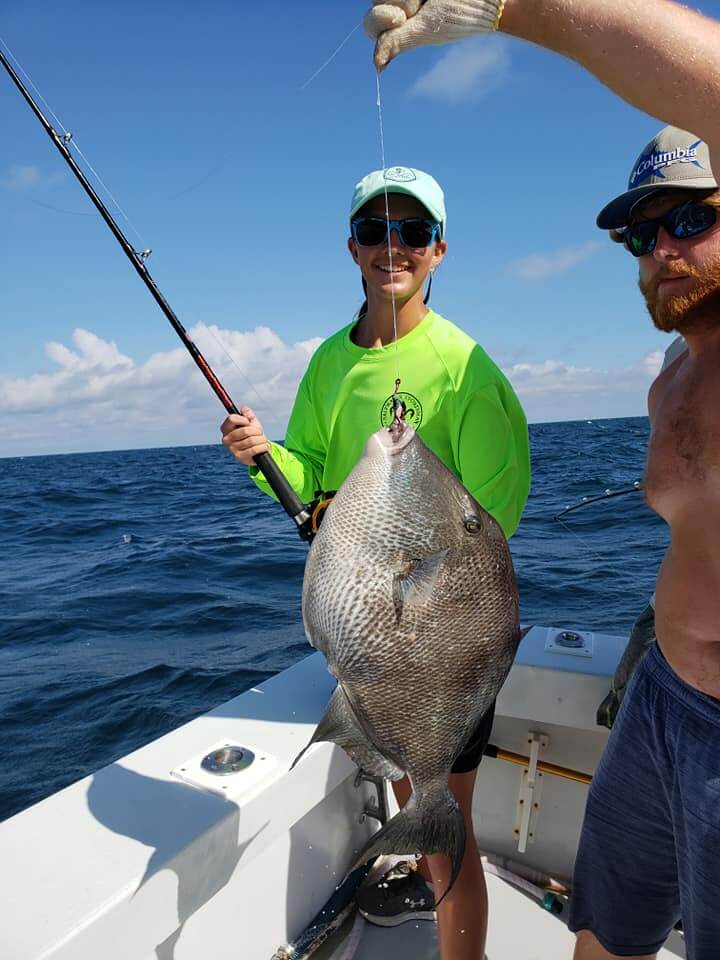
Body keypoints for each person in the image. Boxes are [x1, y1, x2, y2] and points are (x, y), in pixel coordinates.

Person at [365, 2, 720, 958]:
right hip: (663, 704)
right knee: (600, 936)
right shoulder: (673, 376)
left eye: (693, 217)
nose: (663, 250)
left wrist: (515, 7)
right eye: (640, 235)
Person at [221, 166, 531, 959]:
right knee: (410, 803)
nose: (393, 247)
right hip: (371, 638)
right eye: (375, 232)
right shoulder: (329, 362)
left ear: (439, 250)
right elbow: (313, 473)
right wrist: (265, 458)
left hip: (440, 645)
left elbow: (491, 526)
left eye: (413, 233)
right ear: (352, 248)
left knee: (441, 828)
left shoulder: (468, 370)